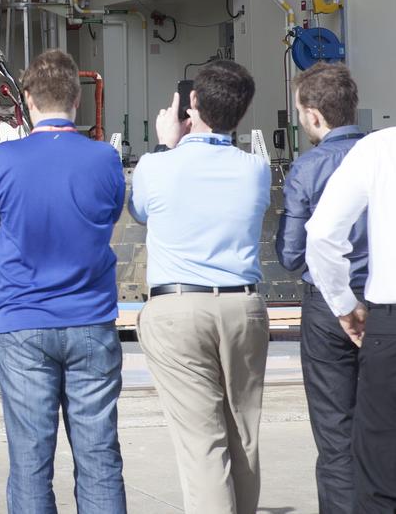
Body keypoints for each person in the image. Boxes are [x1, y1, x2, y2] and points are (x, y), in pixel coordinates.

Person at [276, 63, 396, 513]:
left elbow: (295, 252)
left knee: (336, 434)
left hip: (331, 308)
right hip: (390, 306)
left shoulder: (308, 167)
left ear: (312, 116)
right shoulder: (391, 152)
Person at [0, 49, 127, 513]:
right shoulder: (105, 159)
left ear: (27, 103)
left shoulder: (4, 158)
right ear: (76, 102)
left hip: (22, 323)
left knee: (30, 460)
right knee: (99, 456)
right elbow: (110, 214)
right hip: (91, 320)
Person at [130, 60, 271, 514]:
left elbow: (140, 211)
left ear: (192, 102)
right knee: (243, 436)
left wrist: (164, 143)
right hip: (243, 307)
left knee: (202, 444)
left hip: (179, 307)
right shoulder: (255, 169)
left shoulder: (158, 165)